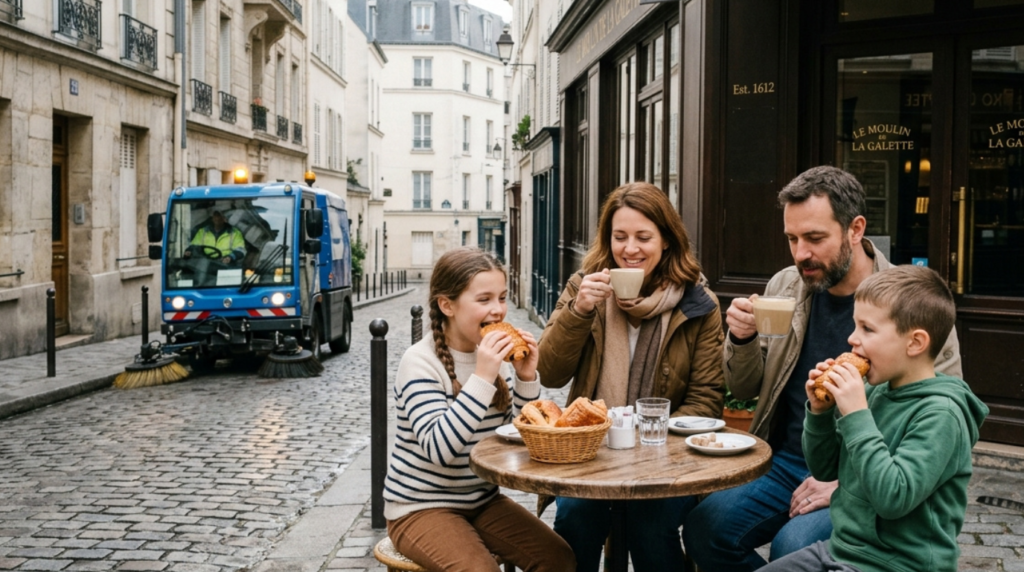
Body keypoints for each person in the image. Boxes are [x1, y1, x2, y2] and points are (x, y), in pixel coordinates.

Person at [683, 165, 963, 570]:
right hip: (783, 461)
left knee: (792, 546)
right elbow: (743, 391)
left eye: (814, 238)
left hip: (863, 473)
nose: (801, 254)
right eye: (792, 239)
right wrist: (741, 339)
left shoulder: (910, 305)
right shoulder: (785, 287)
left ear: (855, 229)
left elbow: (940, 429)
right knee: (705, 528)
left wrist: (844, 485)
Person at [537, 182, 725, 572]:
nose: (630, 249)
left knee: (650, 526)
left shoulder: (698, 303)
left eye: (644, 237)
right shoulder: (583, 287)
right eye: (619, 237)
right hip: (590, 454)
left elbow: (706, 399)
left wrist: (646, 442)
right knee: (574, 518)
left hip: (666, 461)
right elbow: (549, 372)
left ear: (667, 242)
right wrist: (579, 310)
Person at [758, 265, 988, 572]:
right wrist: (820, 414)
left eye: (867, 329)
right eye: (855, 326)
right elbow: (825, 470)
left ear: (915, 343)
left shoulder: (942, 414)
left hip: (899, 564)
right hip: (842, 550)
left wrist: (856, 414)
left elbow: (893, 498)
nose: (852, 338)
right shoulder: (875, 391)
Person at [383, 247, 575, 572]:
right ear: (447, 305)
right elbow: (439, 449)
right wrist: (484, 376)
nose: (499, 310)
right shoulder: (420, 362)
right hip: (419, 508)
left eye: (502, 298)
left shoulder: (487, 355)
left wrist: (526, 379)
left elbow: (517, 438)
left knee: (558, 558)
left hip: (482, 501)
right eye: (484, 299)